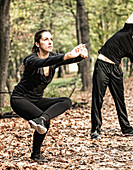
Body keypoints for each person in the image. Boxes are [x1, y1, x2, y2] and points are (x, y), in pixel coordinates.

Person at [10, 29, 88, 162]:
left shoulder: (53, 57)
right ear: (37, 44)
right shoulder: (31, 60)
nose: (50, 42)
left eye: (51, 39)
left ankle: (40, 124)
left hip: (36, 99)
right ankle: (36, 154)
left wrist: (81, 56)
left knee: (66, 101)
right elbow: (44, 62)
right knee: (45, 120)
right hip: (20, 99)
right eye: (45, 39)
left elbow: (69, 60)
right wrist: (67, 55)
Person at [91, 0, 133, 140]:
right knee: (98, 98)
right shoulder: (127, 30)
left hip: (115, 69)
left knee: (120, 99)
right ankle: (95, 130)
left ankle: (126, 128)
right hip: (102, 65)